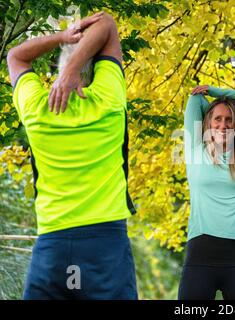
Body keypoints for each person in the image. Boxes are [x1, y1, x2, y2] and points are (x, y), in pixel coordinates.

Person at [7, 12, 137, 299]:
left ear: (56, 71)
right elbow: (107, 24)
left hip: (53, 247)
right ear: (94, 69)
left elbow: (15, 57)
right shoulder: (109, 101)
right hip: (107, 246)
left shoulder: (38, 110)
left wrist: (63, 38)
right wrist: (74, 68)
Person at [178, 84, 235, 300]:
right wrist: (213, 102)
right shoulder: (195, 148)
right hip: (199, 258)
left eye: (229, 119)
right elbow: (194, 99)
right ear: (207, 123)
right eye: (217, 119)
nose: (223, 125)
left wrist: (218, 93)